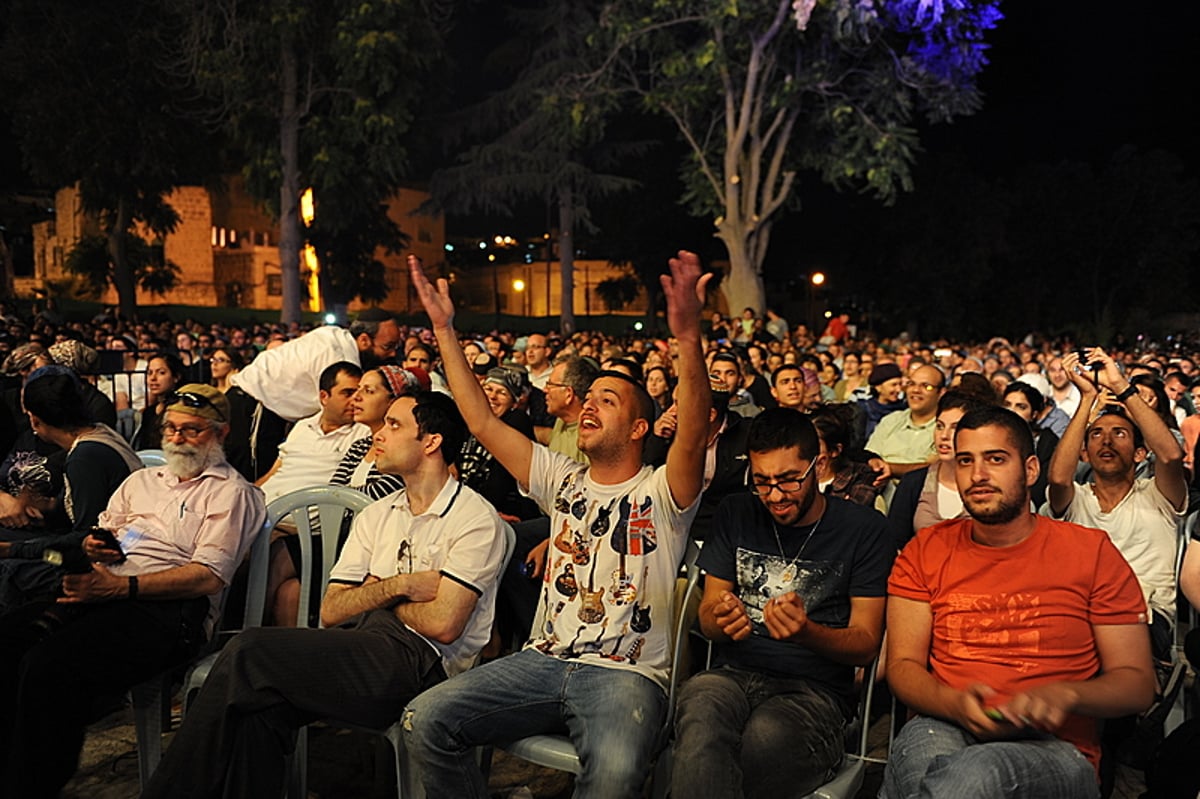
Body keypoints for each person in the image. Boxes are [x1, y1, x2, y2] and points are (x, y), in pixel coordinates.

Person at [402, 250, 711, 798]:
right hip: (541, 661)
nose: (590, 405)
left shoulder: (663, 490)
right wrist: (445, 329)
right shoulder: (559, 477)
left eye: (607, 400)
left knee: (614, 777)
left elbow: (692, 430)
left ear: (640, 427)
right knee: (425, 720)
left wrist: (688, 337)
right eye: (587, 397)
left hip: (625, 676)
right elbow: (478, 418)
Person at [142, 391, 509, 799]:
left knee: (249, 651)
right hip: (366, 642)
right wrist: (399, 586)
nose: (378, 435)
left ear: (431, 442)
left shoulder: (473, 518)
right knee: (259, 711)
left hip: (425, 666)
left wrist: (372, 591)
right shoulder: (378, 513)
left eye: (394, 425)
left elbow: (443, 624)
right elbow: (332, 609)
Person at [0, 384, 266, 797]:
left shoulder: (232, 493)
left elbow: (207, 576)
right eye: (171, 428)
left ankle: (28, 786)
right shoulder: (141, 481)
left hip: (169, 611)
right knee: (9, 641)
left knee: (49, 667)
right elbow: (108, 534)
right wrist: (95, 546)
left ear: (220, 433)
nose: (177, 438)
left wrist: (120, 588)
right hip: (104, 586)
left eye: (192, 430)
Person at [882, 406, 1156, 799]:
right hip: (943, 721)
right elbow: (903, 666)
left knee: (971, 776)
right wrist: (953, 702)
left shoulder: (1089, 552)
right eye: (965, 461)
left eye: (995, 459)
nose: (977, 475)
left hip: (1055, 744)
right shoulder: (925, 550)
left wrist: (1067, 693)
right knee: (924, 769)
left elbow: (1137, 683)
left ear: (1030, 470)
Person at [670, 408, 893, 797]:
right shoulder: (738, 511)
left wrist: (808, 633)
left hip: (814, 690)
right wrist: (719, 620)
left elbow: (866, 643)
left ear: (818, 465)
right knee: (699, 708)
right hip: (733, 673)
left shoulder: (865, 529)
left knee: (763, 739)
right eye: (762, 482)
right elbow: (707, 615)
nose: (774, 496)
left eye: (789, 480)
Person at [1046, 348, 1187, 662]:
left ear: (1139, 454)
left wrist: (1122, 386)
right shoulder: (1076, 499)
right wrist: (1087, 399)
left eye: (1119, 434)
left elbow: (1170, 455)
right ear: (1085, 452)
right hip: (1077, 614)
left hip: (1145, 618)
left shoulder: (1158, 494)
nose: (1106, 441)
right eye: (1096, 435)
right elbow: (1057, 478)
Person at [0, 368, 142, 612]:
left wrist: (11, 549)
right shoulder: (99, 432)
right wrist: (50, 506)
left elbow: (84, 540)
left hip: (103, 561)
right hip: (100, 547)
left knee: (12, 565)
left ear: (35, 420)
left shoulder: (85, 456)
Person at [230, 307, 400, 421]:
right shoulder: (337, 358)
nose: (392, 353)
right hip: (253, 406)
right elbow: (341, 414)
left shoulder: (334, 335)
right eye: (387, 347)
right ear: (364, 340)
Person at [257, 361, 368, 504]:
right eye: (347, 393)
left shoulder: (363, 434)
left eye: (359, 393)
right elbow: (275, 471)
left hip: (298, 521)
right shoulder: (302, 426)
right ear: (324, 397)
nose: (355, 400)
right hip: (261, 509)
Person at [865, 363, 945, 478]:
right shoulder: (891, 420)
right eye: (911, 384)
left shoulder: (945, 428)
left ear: (941, 393)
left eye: (926, 386)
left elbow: (932, 469)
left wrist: (887, 467)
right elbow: (869, 457)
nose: (916, 390)